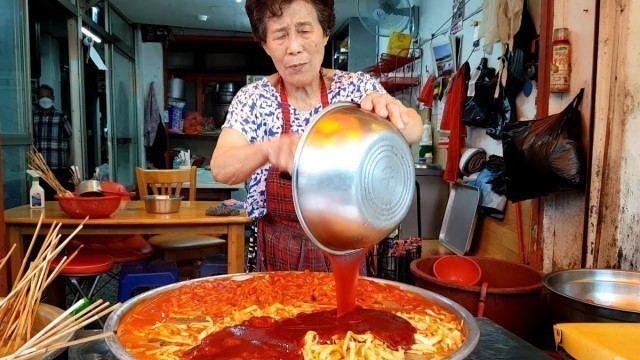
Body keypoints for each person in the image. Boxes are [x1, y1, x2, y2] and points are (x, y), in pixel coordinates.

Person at [211, 0, 423, 273]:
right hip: (279, 250)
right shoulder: (254, 98)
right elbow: (221, 168)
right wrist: (266, 150)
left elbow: (414, 128)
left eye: (304, 30)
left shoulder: (356, 88)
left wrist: (393, 114)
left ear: (324, 33)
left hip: (350, 247)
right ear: (265, 44)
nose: (294, 47)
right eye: (280, 35)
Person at [32, 84, 73, 199]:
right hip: (41, 167)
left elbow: (70, 137)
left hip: (58, 166)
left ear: (53, 98)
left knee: (59, 196)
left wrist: (71, 160)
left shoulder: (61, 116)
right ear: (37, 99)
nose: (45, 99)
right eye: (41, 96)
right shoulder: (33, 116)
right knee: (42, 197)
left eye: (48, 96)